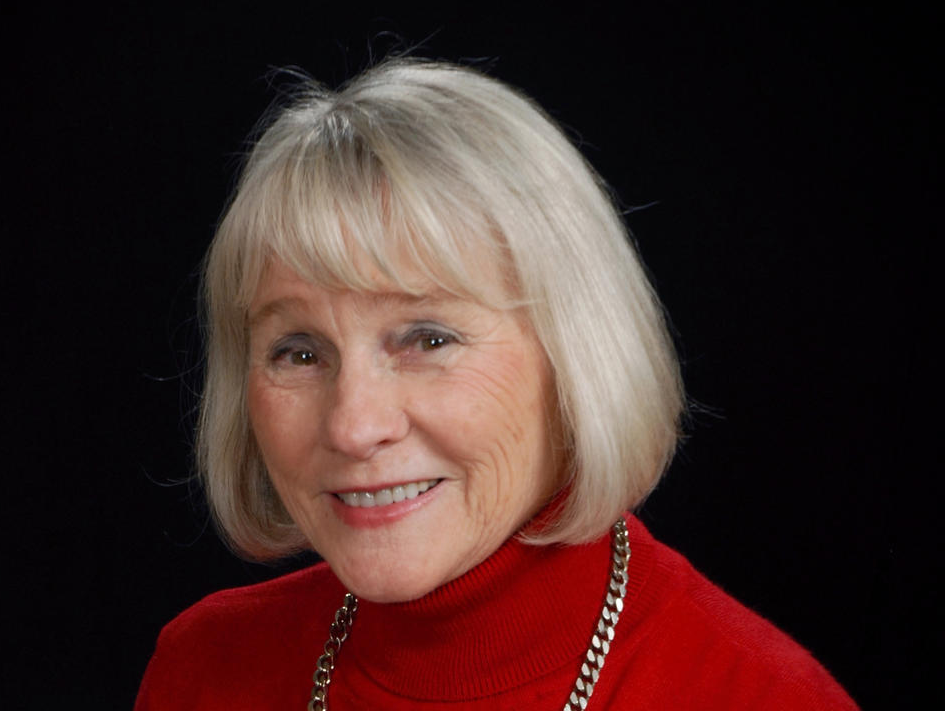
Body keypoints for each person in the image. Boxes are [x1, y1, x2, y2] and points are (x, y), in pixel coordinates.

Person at [135, 58, 857, 710]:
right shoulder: (201, 672)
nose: (354, 426)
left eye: (428, 339)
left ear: (577, 358)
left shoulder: (759, 694)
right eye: (298, 352)